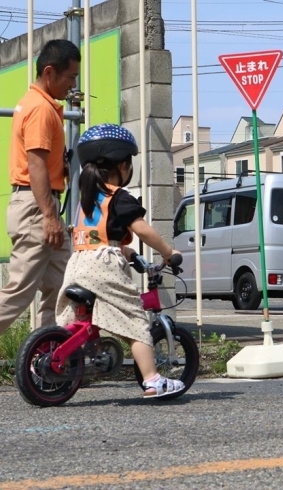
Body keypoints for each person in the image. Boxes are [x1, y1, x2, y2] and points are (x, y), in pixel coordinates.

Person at [55, 123, 184, 398]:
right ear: (123, 164)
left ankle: (65, 359)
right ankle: (152, 380)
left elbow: (100, 238)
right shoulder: (119, 197)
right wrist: (168, 252)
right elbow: (142, 229)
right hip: (103, 267)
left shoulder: (86, 201)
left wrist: (127, 252)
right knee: (135, 319)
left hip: (78, 263)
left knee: (81, 321)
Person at [0, 39, 81, 335]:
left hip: (39, 207)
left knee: (62, 286)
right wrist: (49, 215)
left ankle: (48, 359)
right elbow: (35, 166)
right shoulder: (39, 110)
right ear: (50, 73)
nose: (73, 85)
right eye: (70, 76)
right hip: (37, 211)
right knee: (18, 292)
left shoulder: (37, 104)